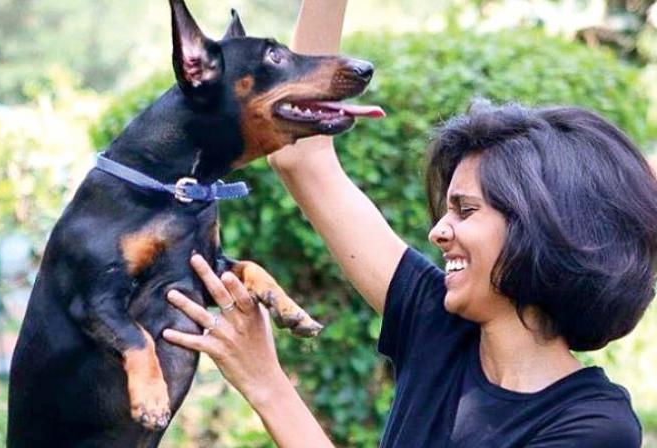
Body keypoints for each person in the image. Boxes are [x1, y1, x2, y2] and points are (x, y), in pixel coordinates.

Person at [161, 0, 657, 446]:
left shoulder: (593, 426)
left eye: (465, 210)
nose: (438, 231)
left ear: (544, 228)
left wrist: (268, 385)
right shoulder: (435, 322)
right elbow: (303, 160)